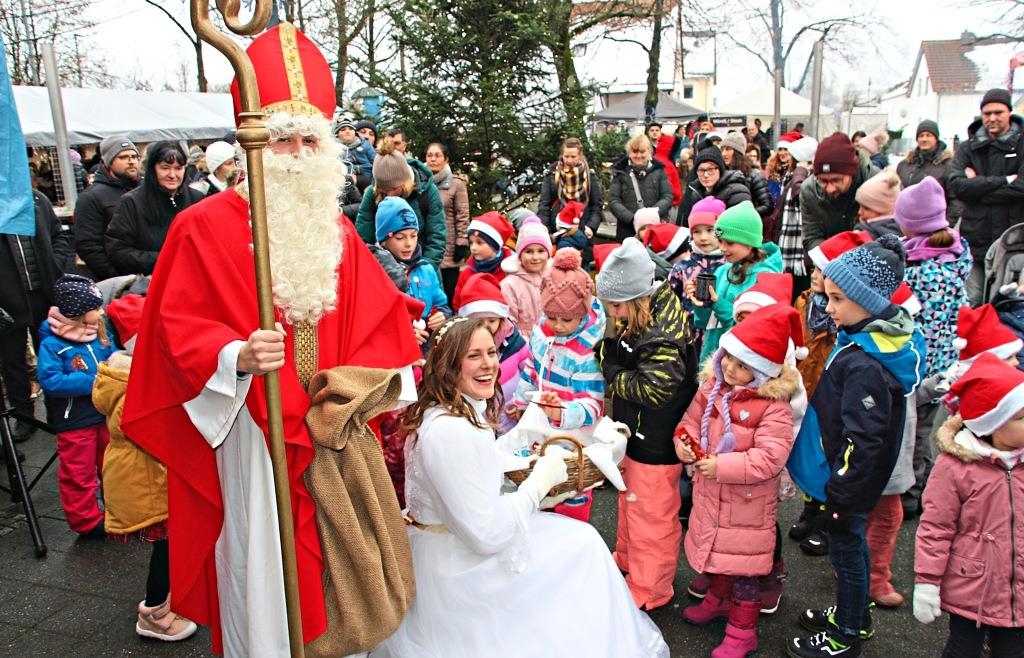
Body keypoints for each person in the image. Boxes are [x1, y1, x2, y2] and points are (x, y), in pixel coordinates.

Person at [119, 23, 424, 657]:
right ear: (250, 140)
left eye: (307, 138)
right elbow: (171, 331)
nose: (294, 152)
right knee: (262, 572)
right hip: (250, 433)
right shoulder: (200, 227)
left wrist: (368, 382)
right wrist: (234, 355)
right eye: (279, 137)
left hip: (330, 440)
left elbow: (382, 321)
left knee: (345, 587)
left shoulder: (337, 228)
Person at [369, 317, 669, 657]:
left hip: (447, 539)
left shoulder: (451, 412)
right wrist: (539, 484)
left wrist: (513, 447)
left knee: (579, 541)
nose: (489, 364)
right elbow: (486, 534)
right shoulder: (452, 431)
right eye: (473, 356)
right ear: (449, 365)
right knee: (583, 548)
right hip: (455, 563)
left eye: (492, 352)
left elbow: (469, 476)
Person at [788, 235, 926, 658]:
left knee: (847, 552)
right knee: (851, 551)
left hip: (848, 484)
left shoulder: (866, 362)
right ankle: (854, 614)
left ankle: (846, 633)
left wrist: (842, 492)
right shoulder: (862, 338)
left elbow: (863, 439)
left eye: (838, 298)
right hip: (848, 480)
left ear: (869, 302)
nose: (828, 308)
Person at [676, 304, 801, 658]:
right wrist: (684, 445)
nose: (730, 367)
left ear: (762, 373)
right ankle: (717, 598)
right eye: (728, 357)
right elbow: (689, 421)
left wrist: (723, 466)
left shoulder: (773, 406)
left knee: (744, 570)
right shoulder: (712, 388)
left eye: (743, 365)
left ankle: (742, 631)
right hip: (712, 493)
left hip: (746, 503)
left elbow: (771, 457)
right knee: (718, 553)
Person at [595, 238, 697, 611]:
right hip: (635, 434)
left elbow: (653, 391)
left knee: (651, 516)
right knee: (631, 503)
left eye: (617, 306)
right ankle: (627, 559)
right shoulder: (640, 318)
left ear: (640, 298)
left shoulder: (662, 336)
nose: (612, 313)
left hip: (655, 441)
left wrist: (612, 372)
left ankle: (651, 588)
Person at [92, 292, 199, 642]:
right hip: (150, 486)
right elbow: (148, 434)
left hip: (151, 481)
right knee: (164, 552)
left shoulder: (129, 378)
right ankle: (154, 615)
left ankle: (164, 604)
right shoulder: (134, 387)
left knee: (170, 549)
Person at [913, 353, 1024, 657]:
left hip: (1020, 586)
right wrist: (927, 582)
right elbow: (936, 527)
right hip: (973, 583)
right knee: (963, 649)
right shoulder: (956, 466)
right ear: (993, 424)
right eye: (1020, 417)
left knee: (1013, 650)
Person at [893, 177, 972, 519]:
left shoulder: (923, 268)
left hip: (922, 368)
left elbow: (917, 321)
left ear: (912, 224)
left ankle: (912, 495)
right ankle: (917, 487)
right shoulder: (954, 254)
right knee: (918, 430)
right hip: (943, 363)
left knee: (915, 432)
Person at [510, 248, 606, 521]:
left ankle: (571, 533)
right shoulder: (542, 333)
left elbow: (592, 404)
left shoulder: (585, 353)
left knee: (571, 490)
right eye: (552, 317)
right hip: (541, 424)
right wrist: (521, 401)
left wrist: (562, 413)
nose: (558, 325)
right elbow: (531, 368)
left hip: (575, 436)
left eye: (567, 319)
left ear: (583, 312)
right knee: (540, 487)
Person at [36, 274, 115, 537]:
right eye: (96, 307)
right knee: (78, 474)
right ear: (79, 313)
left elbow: (112, 358)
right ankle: (87, 522)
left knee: (111, 466)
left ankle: (117, 512)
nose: (102, 311)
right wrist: (95, 380)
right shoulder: (52, 344)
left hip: (103, 414)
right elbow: (51, 380)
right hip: (74, 421)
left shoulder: (99, 333)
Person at [0, 190, 71, 446]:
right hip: (7, 299)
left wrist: (56, 263)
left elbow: (58, 236)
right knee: (13, 362)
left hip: (44, 293)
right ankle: (23, 416)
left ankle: (57, 412)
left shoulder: (36, 199)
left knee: (52, 354)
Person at [947, 88, 1024, 306]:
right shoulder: (968, 148)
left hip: (1014, 241)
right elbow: (957, 186)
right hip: (976, 240)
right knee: (971, 302)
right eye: (987, 113)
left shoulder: (1021, 145)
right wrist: (1005, 180)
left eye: (998, 112)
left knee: (1007, 304)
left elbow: (1022, 187)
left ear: (1009, 112)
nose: (992, 118)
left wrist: (977, 189)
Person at [685, 201, 782, 363]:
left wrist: (717, 303)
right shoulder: (723, 270)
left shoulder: (765, 278)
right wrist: (700, 302)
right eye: (721, 241)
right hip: (713, 356)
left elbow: (746, 328)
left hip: (742, 364)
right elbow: (705, 323)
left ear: (750, 243)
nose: (722, 248)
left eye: (730, 243)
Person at [105, 141, 204, 276]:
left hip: (193, 279)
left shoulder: (197, 199)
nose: (172, 174)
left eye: (178, 168)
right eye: (165, 167)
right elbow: (118, 251)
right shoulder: (132, 202)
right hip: (150, 282)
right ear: (152, 169)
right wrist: (164, 259)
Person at [356, 136, 447, 271]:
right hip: (385, 273)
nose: (390, 194)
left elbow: (437, 237)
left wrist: (425, 271)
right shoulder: (372, 193)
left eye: (394, 188)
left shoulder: (427, 192)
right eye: (385, 190)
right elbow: (364, 238)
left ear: (406, 181)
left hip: (423, 271)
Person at [375, 196, 450, 348]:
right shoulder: (378, 272)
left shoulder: (426, 269)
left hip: (428, 349)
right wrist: (404, 333)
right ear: (384, 240)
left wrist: (442, 316)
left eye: (413, 235)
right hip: (397, 352)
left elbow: (442, 304)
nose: (409, 244)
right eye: (400, 237)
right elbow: (376, 320)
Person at [456, 272, 527, 433]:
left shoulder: (517, 344)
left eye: (492, 321)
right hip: (478, 423)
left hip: (510, 420)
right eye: (479, 321)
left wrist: (522, 401)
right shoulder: (460, 346)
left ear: (501, 319)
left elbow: (531, 376)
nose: (486, 326)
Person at [73, 135, 141, 281]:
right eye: (123, 157)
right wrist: (117, 278)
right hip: (119, 281)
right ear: (108, 162)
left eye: (134, 156)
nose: (131, 162)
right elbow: (88, 245)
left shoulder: (144, 190)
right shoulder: (91, 197)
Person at [800, 132, 880, 253]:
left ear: (852, 173)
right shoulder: (809, 190)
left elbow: (887, 233)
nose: (830, 188)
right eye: (823, 181)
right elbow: (812, 237)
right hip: (830, 261)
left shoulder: (877, 184)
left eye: (837, 180)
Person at [424, 142, 469, 303]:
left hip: (449, 245)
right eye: (429, 155)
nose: (433, 159)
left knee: (449, 292)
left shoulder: (456, 184)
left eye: (437, 155)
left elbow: (462, 214)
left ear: (446, 159)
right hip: (427, 243)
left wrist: (462, 242)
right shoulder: (420, 181)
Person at [536, 137, 604, 242]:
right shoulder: (551, 176)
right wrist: (546, 231)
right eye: (566, 156)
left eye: (573, 156)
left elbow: (596, 205)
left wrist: (591, 227)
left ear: (580, 156)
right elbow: (544, 205)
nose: (569, 160)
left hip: (582, 230)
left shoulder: (590, 176)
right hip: (556, 231)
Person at [608, 134, 674, 241]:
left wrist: (652, 214)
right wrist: (632, 218)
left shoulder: (659, 171)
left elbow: (667, 196)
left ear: (649, 151)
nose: (639, 155)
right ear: (629, 153)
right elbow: (613, 200)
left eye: (642, 152)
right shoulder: (620, 172)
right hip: (627, 229)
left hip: (654, 227)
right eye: (635, 152)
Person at [896, 120, 960, 222]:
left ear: (936, 138)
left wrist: (947, 224)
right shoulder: (905, 164)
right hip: (908, 224)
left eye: (928, 135)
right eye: (921, 136)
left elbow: (956, 199)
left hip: (936, 225)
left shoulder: (948, 165)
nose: (924, 139)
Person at [499, 214, 551, 337]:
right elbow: (508, 322)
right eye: (528, 251)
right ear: (520, 254)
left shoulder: (555, 279)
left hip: (552, 341)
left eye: (541, 251)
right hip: (523, 344)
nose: (535, 257)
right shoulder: (510, 285)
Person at [452, 211, 514, 310]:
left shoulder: (510, 271)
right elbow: (458, 303)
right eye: (471, 243)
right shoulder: (467, 272)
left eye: (479, 243)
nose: (473, 248)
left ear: (495, 245)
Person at [678, 146, 752, 226]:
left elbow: (742, 226)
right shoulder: (695, 192)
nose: (706, 175)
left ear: (720, 169)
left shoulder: (736, 191)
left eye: (711, 170)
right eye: (701, 170)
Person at [720, 131, 773, 220]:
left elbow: (767, 206)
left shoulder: (754, 175)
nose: (724, 154)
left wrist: (745, 215)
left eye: (728, 149)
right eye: (722, 149)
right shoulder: (721, 173)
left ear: (737, 152)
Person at [853, 170, 902, 238]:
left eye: (866, 208)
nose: (859, 212)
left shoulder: (865, 234)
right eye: (860, 206)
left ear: (884, 209)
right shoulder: (904, 232)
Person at [334, 116, 376, 191]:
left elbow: (375, 162)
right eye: (343, 130)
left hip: (368, 177)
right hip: (346, 180)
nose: (347, 131)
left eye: (350, 129)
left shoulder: (365, 145)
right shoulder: (336, 149)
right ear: (337, 134)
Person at [648, 121, 683, 209]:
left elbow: (677, 141)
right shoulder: (646, 147)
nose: (655, 132)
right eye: (652, 130)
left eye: (657, 130)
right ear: (648, 133)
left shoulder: (668, 145)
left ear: (661, 132)